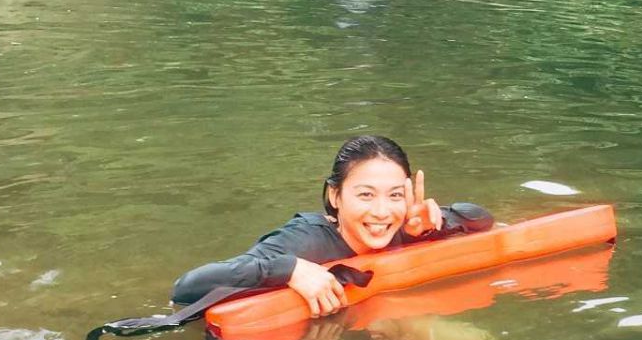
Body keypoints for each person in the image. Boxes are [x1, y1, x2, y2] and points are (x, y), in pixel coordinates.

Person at [171, 135, 494, 315]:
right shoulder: (305, 241)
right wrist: (289, 269)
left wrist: (427, 230)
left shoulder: (406, 222)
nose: (382, 212)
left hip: (374, 311)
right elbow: (186, 288)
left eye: (395, 195)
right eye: (366, 195)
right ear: (335, 195)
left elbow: (483, 219)